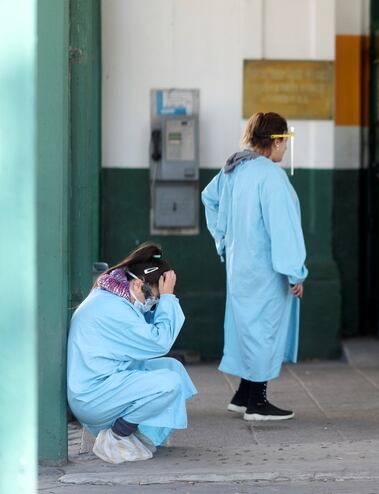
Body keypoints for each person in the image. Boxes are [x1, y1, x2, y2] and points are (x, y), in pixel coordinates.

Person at [202, 111, 307, 420]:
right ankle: (257, 403)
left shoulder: (233, 170)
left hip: (239, 267)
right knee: (263, 330)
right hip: (266, 271)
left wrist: (223, 240)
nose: (285, 149)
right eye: (284, 142)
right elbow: (283, 229)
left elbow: (209, 199)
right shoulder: (272, 178)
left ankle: (243, 394)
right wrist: (295, 272)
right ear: (275, 141)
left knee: (246, 329)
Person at [67, 242, 197, 464]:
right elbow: (159, 343)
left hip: (103, 387)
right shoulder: (113, 308)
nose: (152, 304)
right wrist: (168, 298)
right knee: (170, 383)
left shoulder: (113, 297)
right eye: (153, 298)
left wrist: (160, 299)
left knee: (173, 368)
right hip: (93, 398)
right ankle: (117, 437)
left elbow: (147, 334)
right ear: (138, 285)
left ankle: (140, 436)